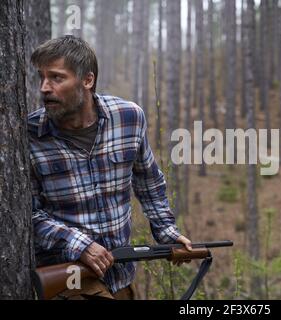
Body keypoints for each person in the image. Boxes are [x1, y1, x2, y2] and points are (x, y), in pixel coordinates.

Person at [28, 35, 192, 300]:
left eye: (57, 78)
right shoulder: (29, 134)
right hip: (67, 277)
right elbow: (28, 216)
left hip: (121, 275)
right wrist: (78, 244)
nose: (45, 87)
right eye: (42, 77)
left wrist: (167, 233)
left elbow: (148, 181)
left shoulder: (129, 118)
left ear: (87, 80)